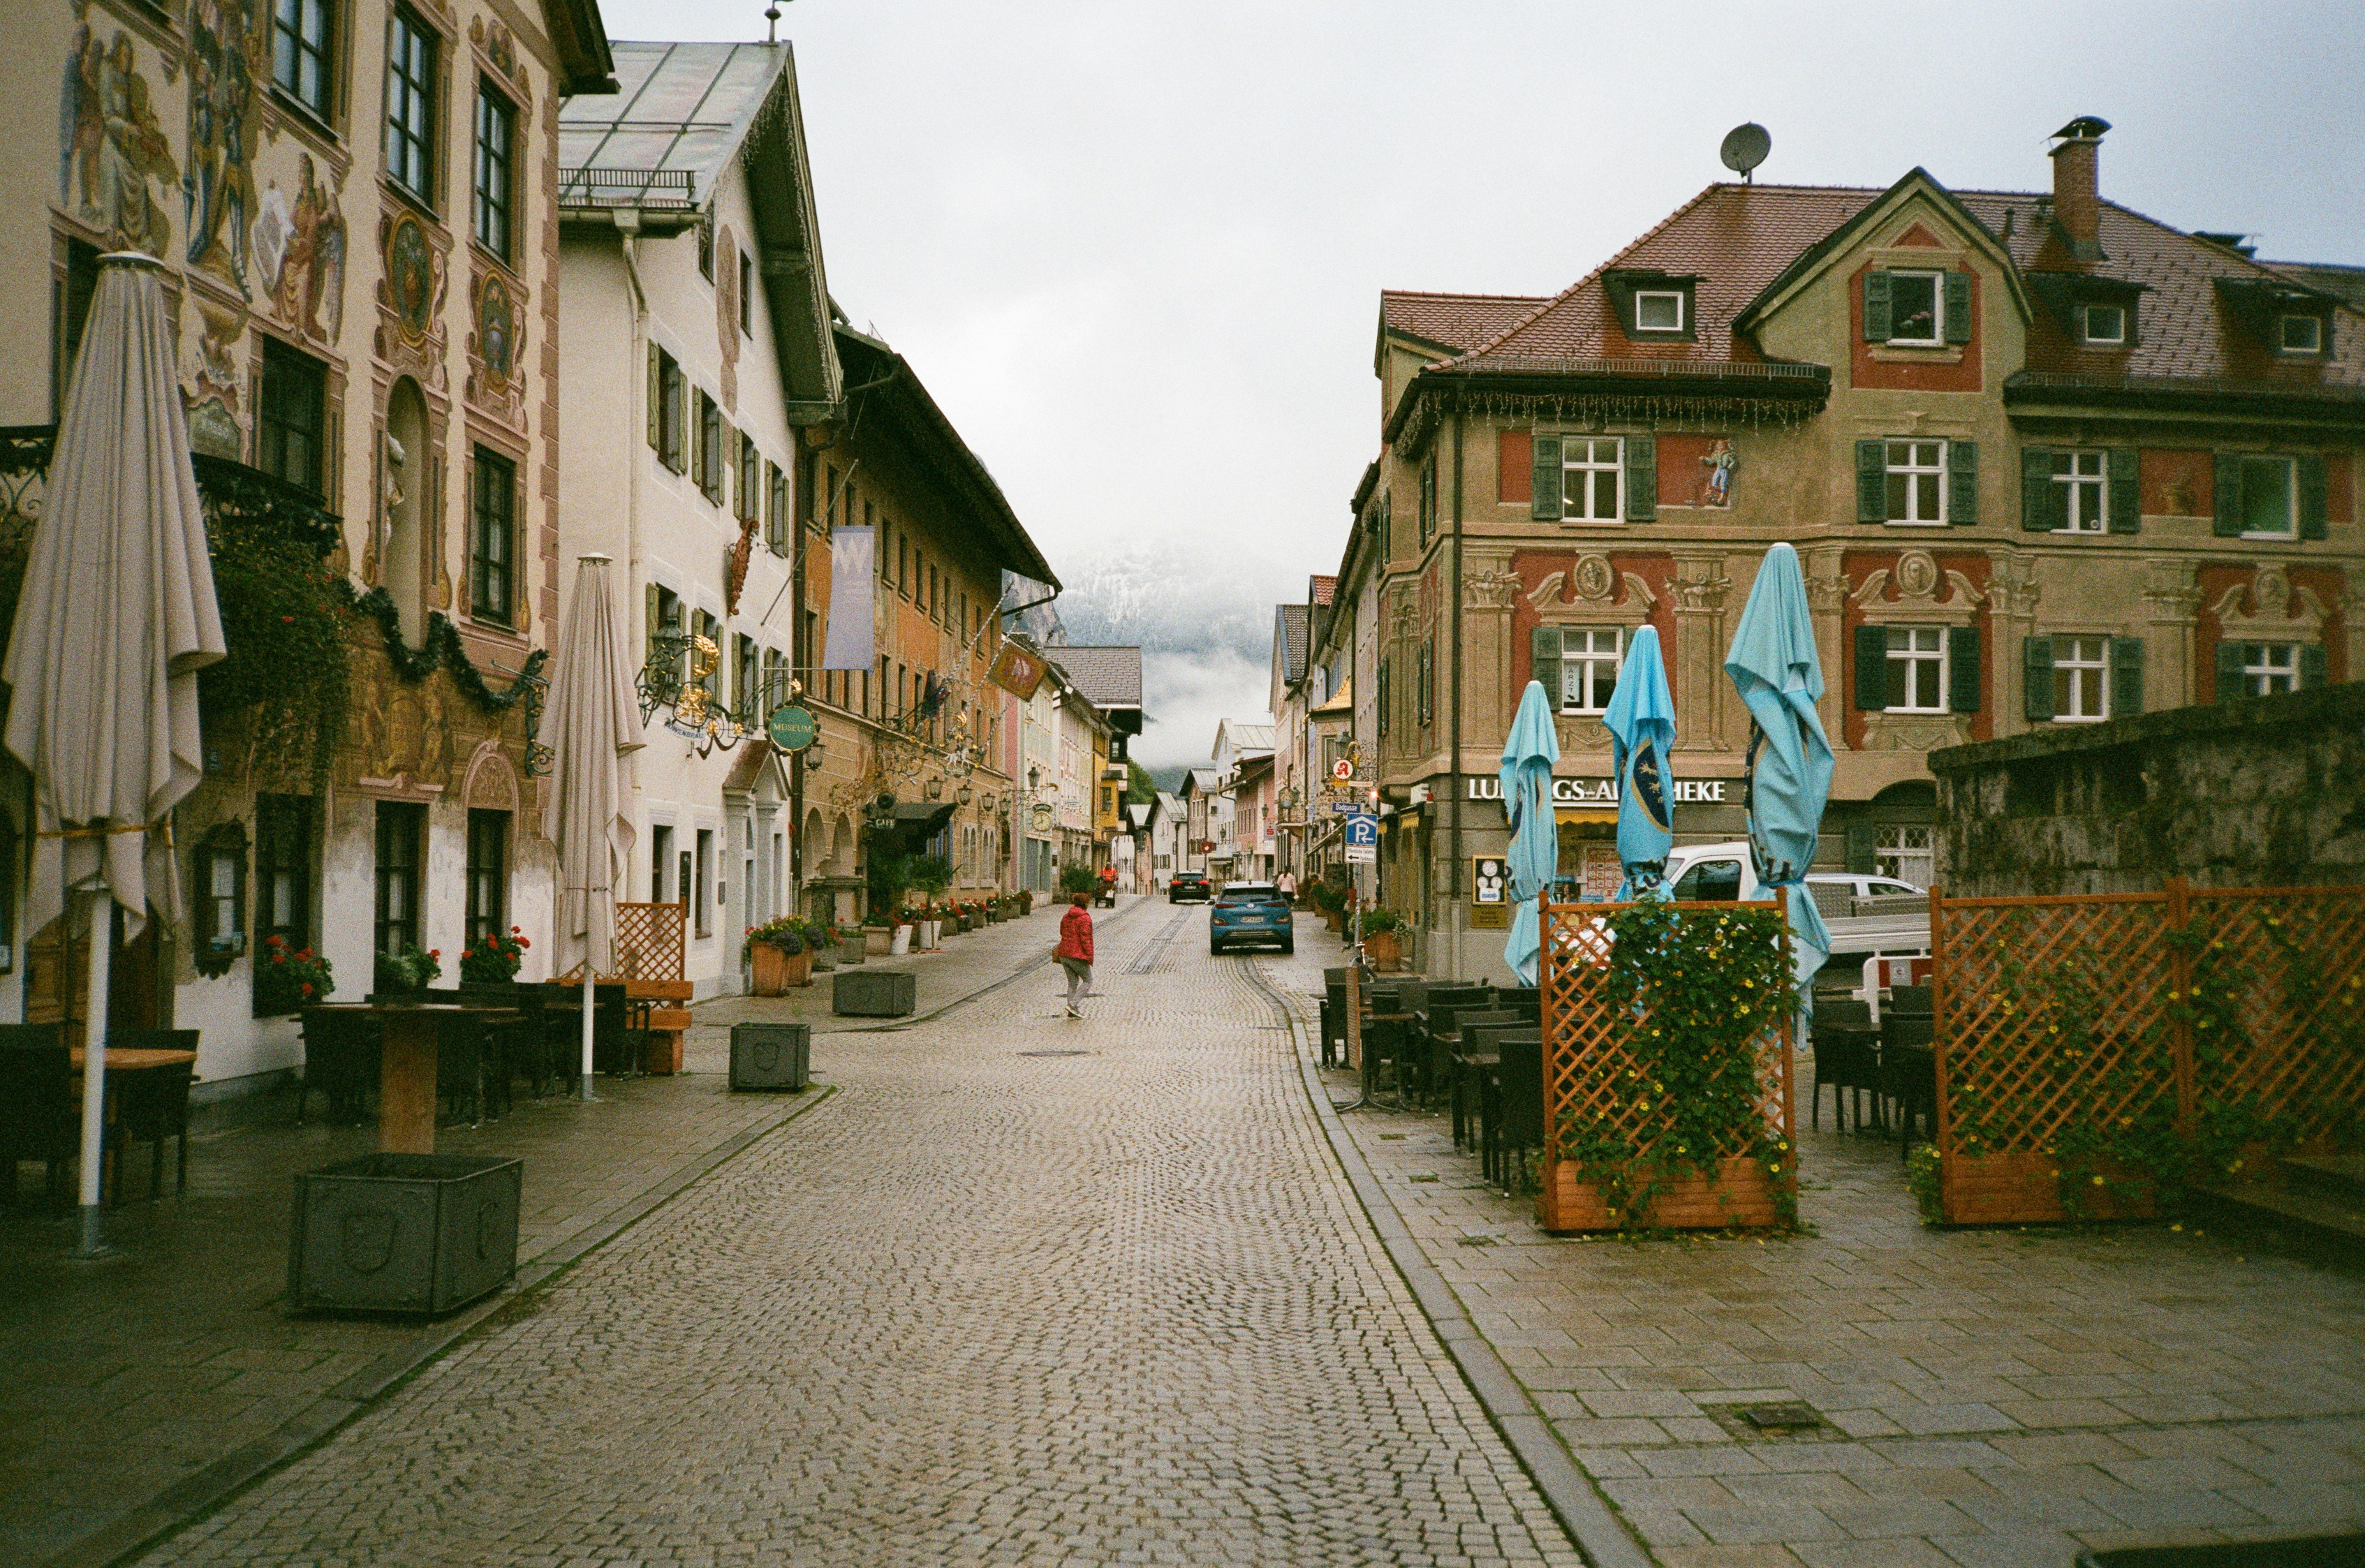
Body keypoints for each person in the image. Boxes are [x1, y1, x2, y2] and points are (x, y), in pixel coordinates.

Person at [1054, 892, 1094, 1018]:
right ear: (1086, 904)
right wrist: (1089, 956)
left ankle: (1072, 1011)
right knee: (1088, 980)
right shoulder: (1085, 918)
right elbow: (1086, 939)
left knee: (1072, 982)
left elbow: (1062, 932)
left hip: (1064, 954)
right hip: (1076, 955)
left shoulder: (1067, 916)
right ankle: (1072, 1004)